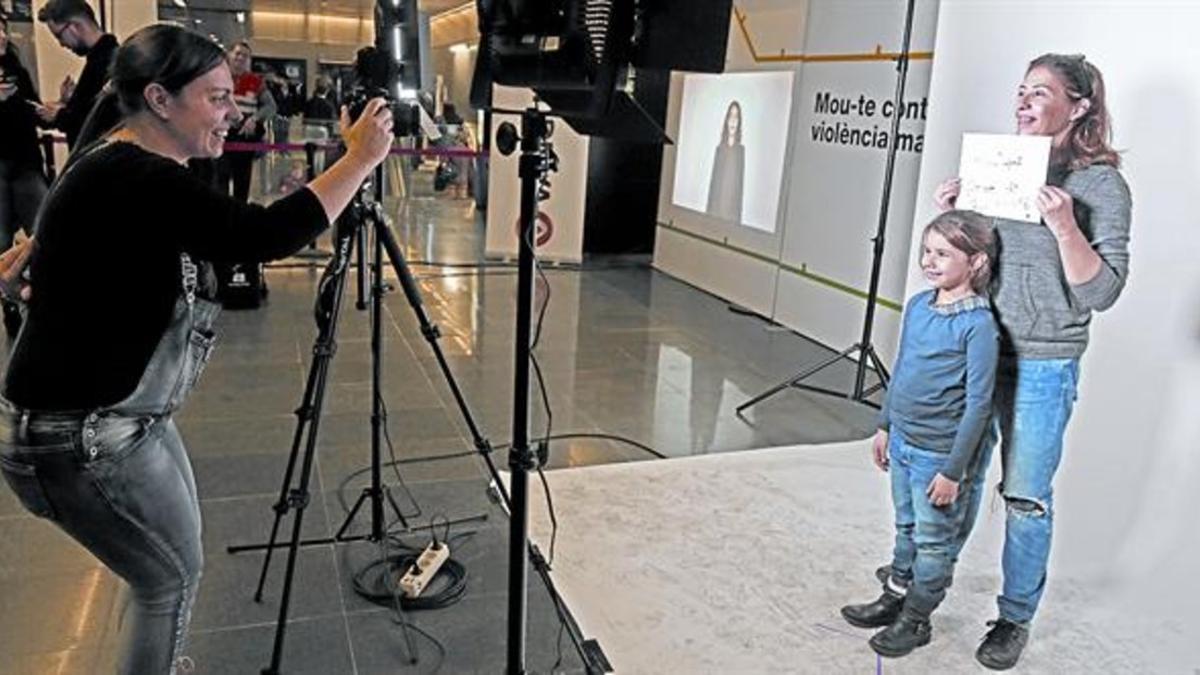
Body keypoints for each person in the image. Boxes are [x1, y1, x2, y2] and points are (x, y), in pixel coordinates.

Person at [0, 24, 393, 674]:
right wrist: (357, 161)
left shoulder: (112, 161)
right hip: (83, 434)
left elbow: (74, 228)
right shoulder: (139, 175)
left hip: (115, 416)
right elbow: (259, 234)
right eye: (214, 98)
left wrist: (38, 250)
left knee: (170, 566)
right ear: (158, 99)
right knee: (168, 578)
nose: (231, 111)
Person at [897, 53, 1132, 670]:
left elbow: (1101, 293)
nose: (1023, 101)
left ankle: (1013, 618)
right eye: (1020, 90)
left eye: (1040, 91)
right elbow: (976, 269)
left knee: (1025, 497)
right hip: (976, 351)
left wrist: (1064, 226)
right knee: (955, 480)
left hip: (1043, 367)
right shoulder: (1000, 170)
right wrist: (954, 216)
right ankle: (918, 601)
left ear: (1079, 106)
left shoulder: (1101, 185)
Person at [842, 210, 999, 658]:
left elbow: (979, 404)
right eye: (926, 251)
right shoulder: (917, 306)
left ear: (976, 262)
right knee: (906, 527)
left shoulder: (978, 326)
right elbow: (903, 369)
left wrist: (953, 471)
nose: (929, 261)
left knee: (934, 542)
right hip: (904, 442)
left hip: (938, 455)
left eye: (943, 254)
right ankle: (894, 594)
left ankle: (917, 618)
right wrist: (885, 424)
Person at [0, 12, 48, 336]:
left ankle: (44, 298)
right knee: (1, 240)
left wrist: (54, 111)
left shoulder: (17, 69)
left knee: (44, 229)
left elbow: (34, 109)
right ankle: (9, 305)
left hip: (26, 162)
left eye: (2, 30)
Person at [33, 0, 118, 148]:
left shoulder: (107, 63)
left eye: (59, 36)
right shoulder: (103, 60)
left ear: (74, 27)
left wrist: (60, 116)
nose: (61, 44)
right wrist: (70, 103)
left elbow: (98, 122)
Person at [214, 40, 275, 203]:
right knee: (220, 180)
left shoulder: (256, 81)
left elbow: (270, 106)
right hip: (220, 137)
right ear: (229, 55)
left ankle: (239, 218)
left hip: (244, 138)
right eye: (238, 53)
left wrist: (254, 119)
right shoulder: (216, 77)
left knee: (242, 181)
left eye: (246, 56)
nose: (241, 58)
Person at [705, 100, 744, 223]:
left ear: (739, 122)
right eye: (730, 116)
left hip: (731, 216)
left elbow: (739, 189)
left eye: (736, 117)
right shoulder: (719, 149)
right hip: (715, 212)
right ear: (726, 120)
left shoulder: (741, 151)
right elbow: (713, 185)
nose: (733, 121)